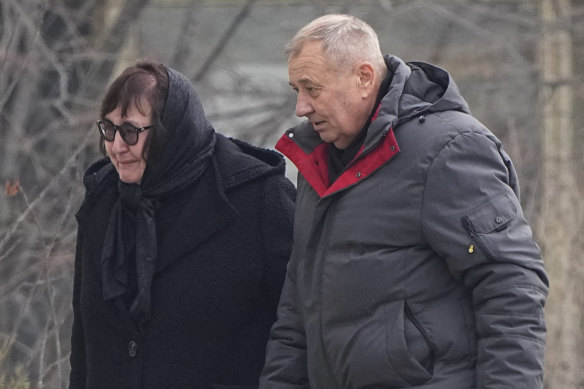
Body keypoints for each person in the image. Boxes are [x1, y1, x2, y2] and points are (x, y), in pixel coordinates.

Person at [260, 14, 548, 389]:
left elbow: (511, 286)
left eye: (312, 88)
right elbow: (296, 312)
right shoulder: (318, 162)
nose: (301, 107)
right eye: (295, 89)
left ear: (364, 77)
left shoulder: (449, 149)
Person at [69, 61, 295, 389]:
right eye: (109, 130)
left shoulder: (257, 198)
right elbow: (84, 345)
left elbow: (302, 329)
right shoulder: (103, 201)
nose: (117, 147)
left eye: (131, 131)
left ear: (170, 129)